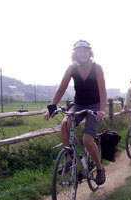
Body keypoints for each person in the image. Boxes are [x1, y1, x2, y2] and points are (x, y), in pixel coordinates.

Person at [44, 40, 107, 185]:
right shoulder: (72, 68)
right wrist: (52, 107)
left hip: (95, 105)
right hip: (78, 104)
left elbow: (103, 91)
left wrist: (102, 110)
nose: (82, 53)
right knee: (65, 123)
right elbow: (61, 89)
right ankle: (69, 160)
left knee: (87, 139)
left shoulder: (97, 68)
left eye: (85, 51)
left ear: (89, 53)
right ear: (75, 54)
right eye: (79, 51)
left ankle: (99, 169)